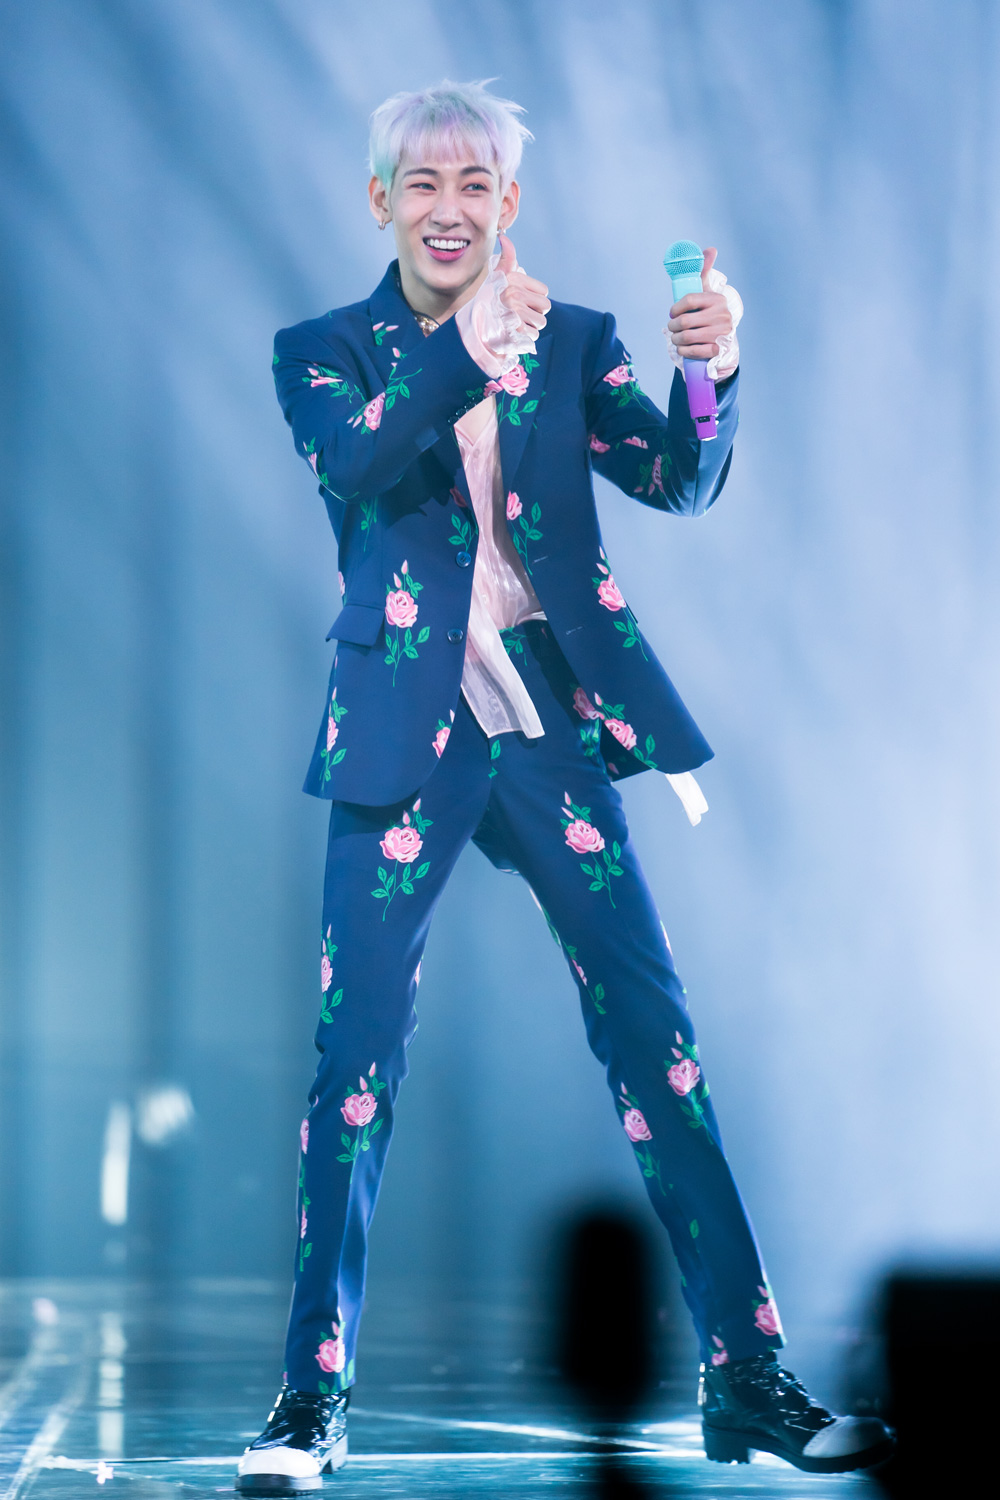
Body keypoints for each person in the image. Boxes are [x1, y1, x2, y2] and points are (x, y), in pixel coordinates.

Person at [236, 81, 893, 1495]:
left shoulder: (572, 339)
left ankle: (748, 1376)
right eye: (424, 184)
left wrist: (714, 367)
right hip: (404, 722)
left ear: (510, 204)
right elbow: (357, 460)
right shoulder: (323, 352)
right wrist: (465, 354)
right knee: (355, 1064)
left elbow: (681, 478)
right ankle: (308, 1397)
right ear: (381, 201)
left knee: (657, 1038)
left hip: (546, 720)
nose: (450, 209)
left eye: (475, 185)